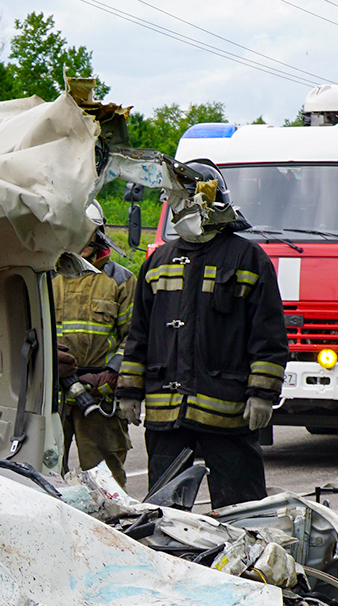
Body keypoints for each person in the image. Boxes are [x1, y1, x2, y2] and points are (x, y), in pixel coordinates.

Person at [116, 164, 288, 508]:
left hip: (227, 412)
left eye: (178, 198)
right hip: (166, 415)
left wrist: (262, 394)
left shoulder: (248, 259)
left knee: (241, 509)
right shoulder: (159, 261)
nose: (173, 204)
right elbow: (139, 334)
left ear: (204, 202)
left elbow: (268, 335)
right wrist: (129, 391)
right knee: (165, 513)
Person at [53, 204, 136, 479]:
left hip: (99, 397)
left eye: (88, 233)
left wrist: (113, 372)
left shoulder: (120, 280)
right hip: (52, 395)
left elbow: (134, 335)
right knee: (45, 473)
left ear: (100, 233)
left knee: (106, 479)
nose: (82, 241)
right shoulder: (45, 276)